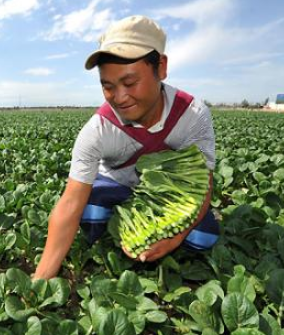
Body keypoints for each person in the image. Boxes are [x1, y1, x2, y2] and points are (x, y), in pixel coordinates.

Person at [33, 15, 219, 280]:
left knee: (202, 237)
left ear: (161, 67)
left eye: (130, 83)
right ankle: (113, 221)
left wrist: (174, 237)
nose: (119, 97)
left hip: (165, 196)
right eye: (108, 86)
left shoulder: (193, 115)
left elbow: (203, 186)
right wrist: (41, 279)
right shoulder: (97, 131)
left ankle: (128, 227)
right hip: (115, 186)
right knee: (88, 210)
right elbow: (69, 203)